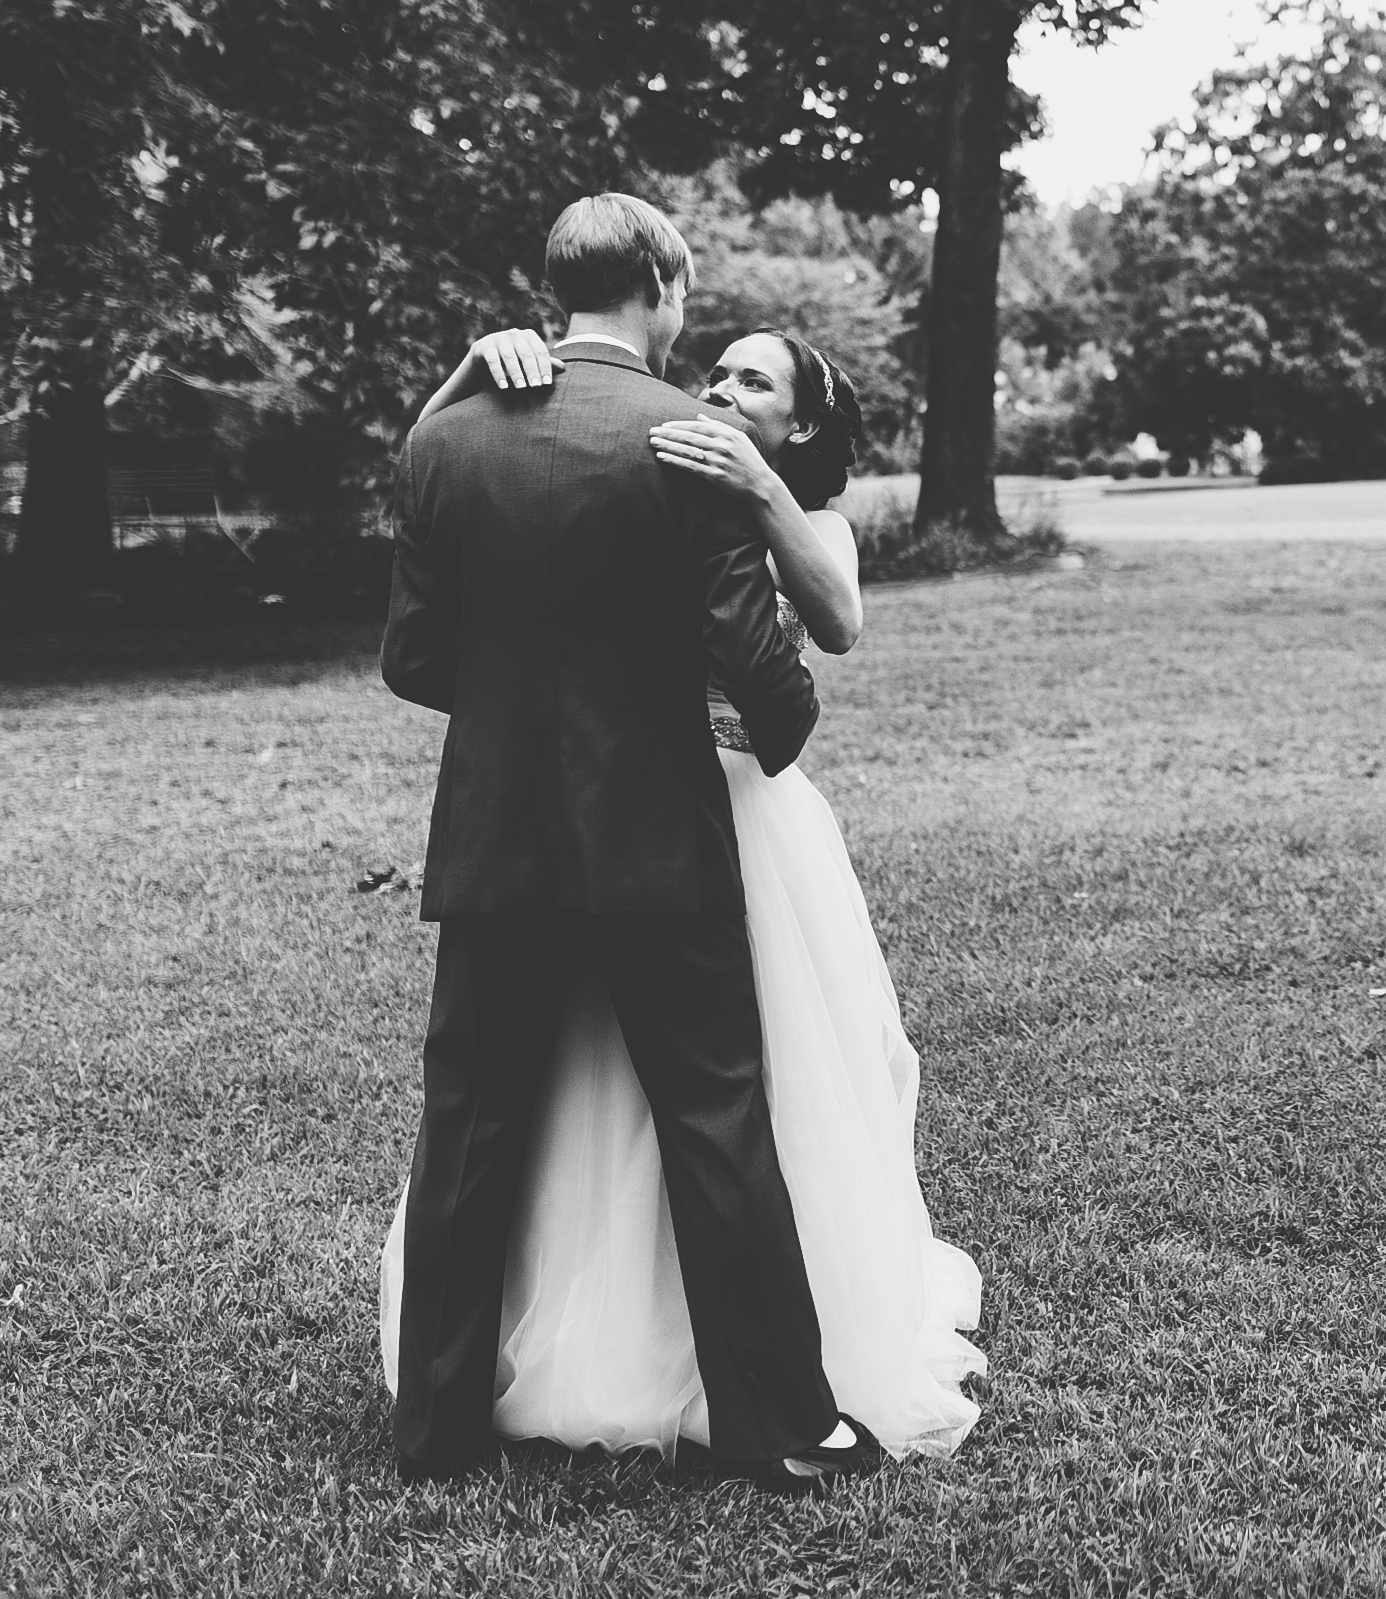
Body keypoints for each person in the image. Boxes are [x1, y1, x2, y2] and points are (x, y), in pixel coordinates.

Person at [379, 201, 981, 1477]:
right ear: (660, 281)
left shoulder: (444, 442)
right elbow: (774, 690)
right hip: (657, 839)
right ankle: (783, 1423)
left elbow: (416, 658)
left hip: (494, 838)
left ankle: (433, 1426)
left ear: (556, 287)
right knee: (715, 1125)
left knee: (472, 1127)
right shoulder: (686, 441)